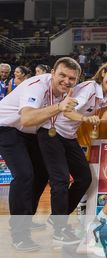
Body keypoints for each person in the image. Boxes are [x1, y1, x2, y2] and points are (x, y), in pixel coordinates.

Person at [37, 60, 107, 245]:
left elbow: (105, 118)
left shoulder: (103, 96)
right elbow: (67, 111)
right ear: (103, 72)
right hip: (52, 132)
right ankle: (59, 228)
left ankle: (59, 218)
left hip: (68, 137)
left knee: (84, 178)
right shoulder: (90, 87)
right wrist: (85, 119)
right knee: (61, 180)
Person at [0, 57, 80, 250]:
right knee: (25, 175)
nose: (66, 81)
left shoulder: (65, 91)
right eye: (62, 75)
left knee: (42, 174)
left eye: (72, 78)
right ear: (52, 73)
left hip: (33, 132)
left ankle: (26, 220)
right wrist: (59, 107)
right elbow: (27, 119)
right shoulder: (36, 86)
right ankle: (19, 234)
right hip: (7, 127)